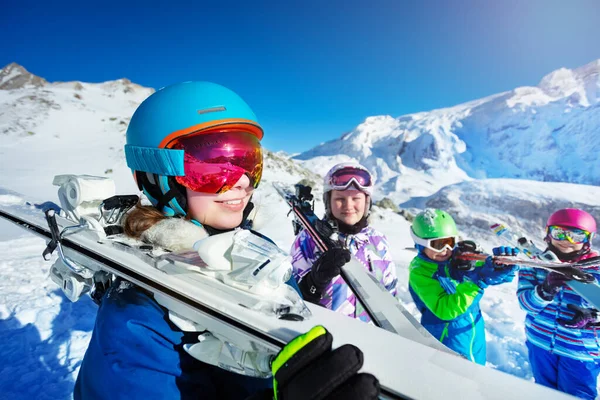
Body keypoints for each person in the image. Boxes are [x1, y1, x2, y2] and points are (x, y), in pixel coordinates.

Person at [73, 81, 379, 400]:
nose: (243, 182)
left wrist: (309, 291)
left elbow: (264, 306)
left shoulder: (249, 245)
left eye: (248, 163)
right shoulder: (137, 316)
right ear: (157, 175)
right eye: (210, 169)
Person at [290, 162, 398, 322]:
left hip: (374, 339)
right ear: (328, 201)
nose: (348, 206)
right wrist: (312, 283)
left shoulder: (378, 242)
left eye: (356, 198)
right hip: (326, 336)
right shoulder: (308, 240)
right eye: (340, 198)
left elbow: (391, 292)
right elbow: (290, 297)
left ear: (367, 202)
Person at [408, 209, 518, 364]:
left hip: (473, 330)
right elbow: (446, 310)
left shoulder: (456, 259)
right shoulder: (420, 272)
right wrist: (477, 280)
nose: (445, 249)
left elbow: (491, 275)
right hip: (445, 337)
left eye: (450, 242)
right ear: (420, 243)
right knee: (455, 381)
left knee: (476, 375)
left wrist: (502, 265)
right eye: (438, 244)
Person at [517, 208, 600, 399]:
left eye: (576, 236)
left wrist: (593, 316)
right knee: (544, 392)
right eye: (559, 233)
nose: (566, 241)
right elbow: (525, 304)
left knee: (577, 395)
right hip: (540, 343)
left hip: (580, 351)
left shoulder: (597, 269)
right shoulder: (534, 265)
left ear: (588, 239)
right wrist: (544, 290)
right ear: (548, 234)